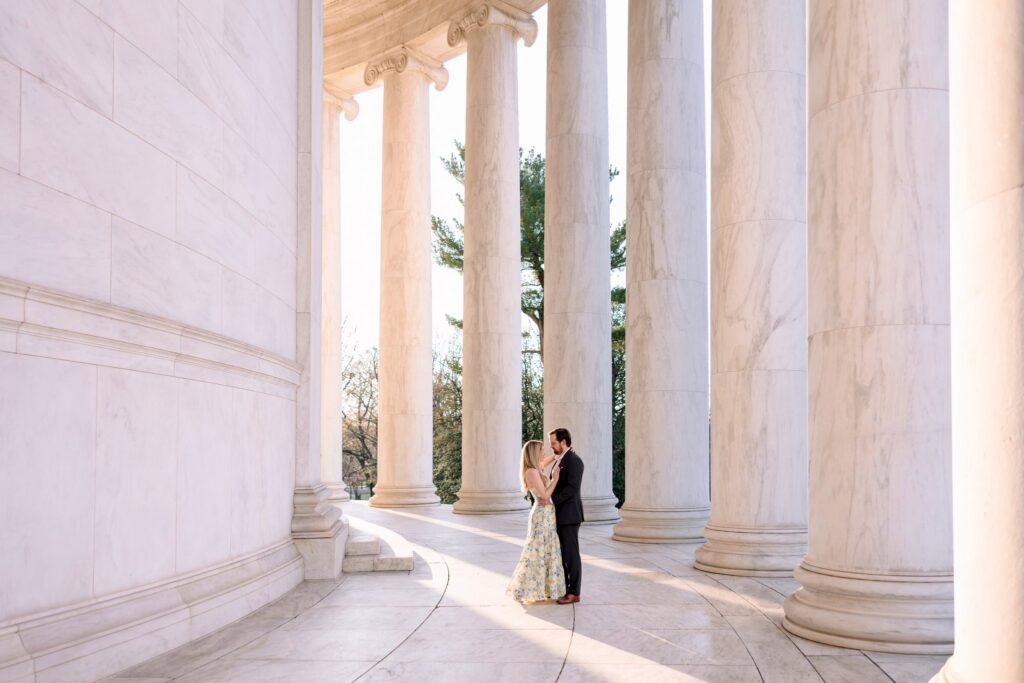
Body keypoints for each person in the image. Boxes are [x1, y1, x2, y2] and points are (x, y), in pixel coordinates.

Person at [506, 440, 566, 603]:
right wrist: (554, 479)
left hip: (547, 514)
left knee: (546, 550)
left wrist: (560, 454)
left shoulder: (536, 468)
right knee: (536, 551)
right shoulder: (532, 472)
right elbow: (545, 496)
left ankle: (545, 588)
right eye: (541, 450)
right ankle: (520, 589)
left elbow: (546, 461)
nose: (544, 453)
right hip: (541, 516)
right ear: (534, 453)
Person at [547, 427, 584, 604]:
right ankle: (565, 588)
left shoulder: (575, 460)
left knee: (571, 555)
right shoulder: (561, 458)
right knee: (562, 555)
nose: (551, 446)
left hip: (569, 516)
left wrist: (550, 500)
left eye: (553, 443)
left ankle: (574, 592)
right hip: (560, 516)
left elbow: (571, 489)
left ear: (563, 442)